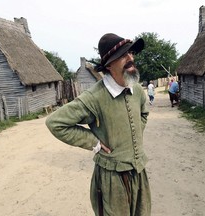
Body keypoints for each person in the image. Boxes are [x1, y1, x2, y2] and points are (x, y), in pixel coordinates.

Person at [45, 33, 151, 216]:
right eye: (124, 55)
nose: (131, 58)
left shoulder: (138, 89)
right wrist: (94, 142)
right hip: (112, 179)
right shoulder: (95, 97)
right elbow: (55, 123)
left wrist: (131, 137)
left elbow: (143, 113)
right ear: (109, 65)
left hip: (139, 172)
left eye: (131, 53)